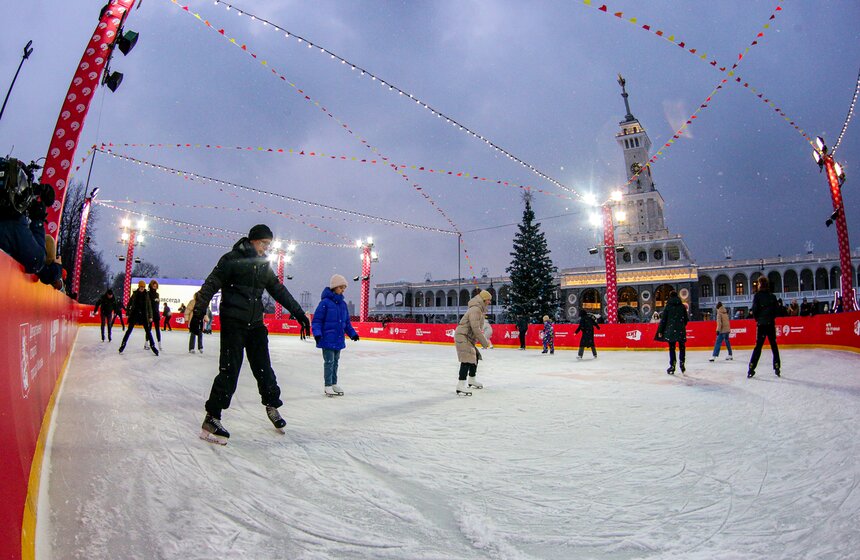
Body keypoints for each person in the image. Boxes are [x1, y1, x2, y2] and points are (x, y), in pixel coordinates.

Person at [189, 224, 311, 444]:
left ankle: (272, 405)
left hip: (255, 325)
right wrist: (199, 312)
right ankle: (212, 417)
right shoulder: (231, 259)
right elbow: (210, 284)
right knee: (229, 371)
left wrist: (299, 314)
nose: (266, 248)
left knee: (264, 368)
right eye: (264, 243)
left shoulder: (263, 267)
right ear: (253, 240)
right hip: (233, 324)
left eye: (268, 245)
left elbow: (278, 290)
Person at [0, 162, 63, 288]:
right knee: (48, 243)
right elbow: (36, 260)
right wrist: (38, 221)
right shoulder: (12, 223)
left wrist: (35, 190)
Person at [312, 274, 359, 396]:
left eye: (344, 288)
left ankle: (333, 383)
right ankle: (327, 385)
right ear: (335, 287)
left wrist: (352, 334)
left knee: (336, 361)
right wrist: (317, 334)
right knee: (329, 362)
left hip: (338, 338)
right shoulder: (325, 303)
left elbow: (346, 322)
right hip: (327, 338)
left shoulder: (342, 304)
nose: (343, 290)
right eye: (341, 287)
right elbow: (317, 321)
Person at [454, 290, 492, 396]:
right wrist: (485, 342)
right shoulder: (475, 309)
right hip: (463, 335)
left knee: (474, 358)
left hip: (468, 337)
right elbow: (476, 328)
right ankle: (461, 385)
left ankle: (471, 379)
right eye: (488, 300)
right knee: (466, 359)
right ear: (484, 300)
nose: (489, 302)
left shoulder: (479, 309)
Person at [748, 276, 781, 378]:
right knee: (774, 345)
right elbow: (776, 311)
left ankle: (751, 367)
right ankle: (777, 366)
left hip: (761, 325)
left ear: (760, 284)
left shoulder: (757, 296)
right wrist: (770, 318)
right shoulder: (772, 297)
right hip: (770, 324)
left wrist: (759, 319)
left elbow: (755, 310)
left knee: (758, 347)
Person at [118, 280, 159, 356]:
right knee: (129, 331)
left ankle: (153, 346)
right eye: (141, 287)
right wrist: (127, 312)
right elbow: (129, 303)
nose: (142, 288)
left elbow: (149, 306)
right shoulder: (135, 294)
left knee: (148, 332)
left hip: (143, 316)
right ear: (139, 287)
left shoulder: (146, 295)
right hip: (134, 315)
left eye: (143, 287)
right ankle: (123, 345)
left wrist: (150, 316)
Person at [657, 290, 688, 374]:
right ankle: (682, 363)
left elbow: (663, 320)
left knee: (672, 348)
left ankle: (672, 365)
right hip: (681, 330)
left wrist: (660, 330)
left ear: (670, 297)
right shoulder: (682, 307)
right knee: (682, 347)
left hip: (671, 331)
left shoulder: (668, 307)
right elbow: (686, 319)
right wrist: (681, 326)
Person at [147, 280, 162, 351]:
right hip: (150, 313)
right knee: (148, 329)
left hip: (156, 313)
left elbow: (157, 305)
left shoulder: (157, 294)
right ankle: (146, 343)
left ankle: (159, 344)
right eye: (154, 286)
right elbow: (148, 304)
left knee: (157, 329)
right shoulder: (148, 293)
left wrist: (158, 301)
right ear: (151, 286)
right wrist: (154, 300)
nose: (155, 287)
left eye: (156, 286)